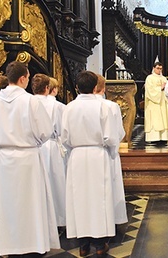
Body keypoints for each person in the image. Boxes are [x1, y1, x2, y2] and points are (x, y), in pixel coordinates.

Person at [0, 61, 59, 256]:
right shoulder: (31, 101)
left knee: (9, 203)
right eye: (27, 78)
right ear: (22, 78)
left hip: (4, 157)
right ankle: (33, 242)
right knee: (31, 203)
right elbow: (44, 131)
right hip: (28, 157)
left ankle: (11, 244)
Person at [62, 71, 123, 257]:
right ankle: (99, 243)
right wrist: (111, 151)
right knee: (99, 199)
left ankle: (83, 243)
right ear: (96, 86)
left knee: (79, 198)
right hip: (98, 154)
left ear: (78, 87)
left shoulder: (69, 108)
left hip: (77, 155)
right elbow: (113, 137)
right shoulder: (105, 106)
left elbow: (64, 137)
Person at [32, 74, 67, 229]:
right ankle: (59, 218)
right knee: (55, 182)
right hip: (51, 145)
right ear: (48, 88)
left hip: (34, 146)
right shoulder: (56, 106)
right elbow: (62, 129)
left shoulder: (29, 103)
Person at [94, 74, 128, 226]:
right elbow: (119, 133)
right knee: (107, 190)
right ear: (102, 88)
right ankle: (108, 223)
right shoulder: (111, 106)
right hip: (105, 152)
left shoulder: (71, 107)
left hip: (79, 155)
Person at [144, 62, 168, 145]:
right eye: (158, 68)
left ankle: (163, 137)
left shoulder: (164, 78)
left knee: (163, 118)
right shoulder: (149, 78)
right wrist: (160, 88)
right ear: (154, 68)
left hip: (162, 102)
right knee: (155, 119)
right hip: (153, 103)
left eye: (161, 68)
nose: (159, 70)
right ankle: (154, 137)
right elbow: (150, 91)